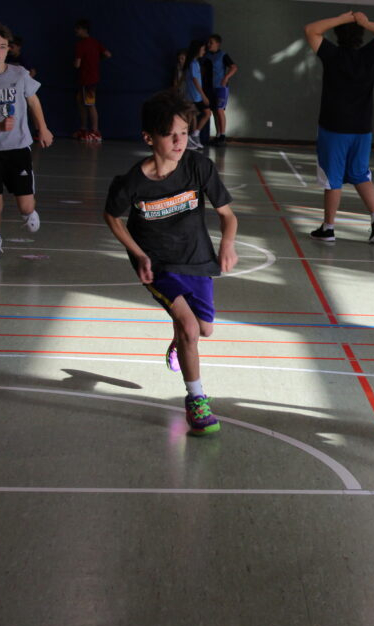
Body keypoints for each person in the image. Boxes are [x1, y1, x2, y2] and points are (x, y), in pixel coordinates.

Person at [103, 90, 238, 435]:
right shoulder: (132, 182)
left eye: (184, 133)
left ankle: (180, 341)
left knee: (203, 329)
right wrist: (138, 254)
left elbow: (228, 216)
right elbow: (112, 217)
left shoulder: (198, 167)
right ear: (149, 138)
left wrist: (227, 244)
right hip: (158, 265)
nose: (180, 142)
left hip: (197, 258)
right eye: (169, 135)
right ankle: (196, 402)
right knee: (190, 328)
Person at [304, 11, 374, 244]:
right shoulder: (370, 54)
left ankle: (329, 228)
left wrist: (343, 18)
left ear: (338, 34)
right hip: (362, 128)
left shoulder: (332, 54)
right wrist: (366, 22)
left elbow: (311, 29)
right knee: (360, 174)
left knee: (333, 179)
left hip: (334, 128)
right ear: (361, 34)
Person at [0, 23, 54, 264]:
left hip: (17, 149)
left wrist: (42, 128)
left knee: (25, 206)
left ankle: (29, 212)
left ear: (8, 49)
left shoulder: (19, 74)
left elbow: (33, 102)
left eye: (2, 47)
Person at [73, 19, 111, 142]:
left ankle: (95, 131)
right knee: (81, 102)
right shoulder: (95, 42)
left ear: (84, 29)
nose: (75, 31)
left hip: (87, 80)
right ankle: (83, 128)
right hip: (89, 79)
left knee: (90, 104)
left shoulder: (81, 45)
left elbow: (77, 64)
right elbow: (108, 54)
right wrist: (96, 60)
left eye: (78, 28)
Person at [203, 34, 237, 146]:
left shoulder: (223, 55)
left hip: (221, 87)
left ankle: (223, 135)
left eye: (211, 43)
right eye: (208, 43)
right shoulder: (206, 56)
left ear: (218, 44)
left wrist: (226, 77)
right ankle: (217, 135)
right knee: (214, 111)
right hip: (209, 87)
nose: (209, 45)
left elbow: (234, 67)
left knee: (219, 110)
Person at [182, 40, 210, 150]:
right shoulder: (193, 63)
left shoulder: (195, 62)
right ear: (197, 50)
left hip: (195, 95)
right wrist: (203, 95)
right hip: (194, 96)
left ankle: (194, 135)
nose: (204, 51)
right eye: (202, 49)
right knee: (202, 114)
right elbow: (194, 80)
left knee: (195, 116)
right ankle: (191, 137)